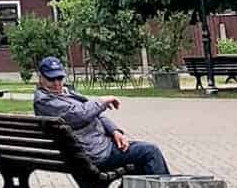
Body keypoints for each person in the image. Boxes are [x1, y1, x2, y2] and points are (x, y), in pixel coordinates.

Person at [32, 56, 170, 175]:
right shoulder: (45, 102)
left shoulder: (65, 92)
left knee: (141, 164)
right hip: (93, 155)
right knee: (150, 152)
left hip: (96, 148)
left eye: (60, 77)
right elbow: (80, 115)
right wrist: (102, 101)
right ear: (40, 78)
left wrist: (114, 131)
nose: (57, 83)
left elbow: (94, 113)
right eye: (51, 79)